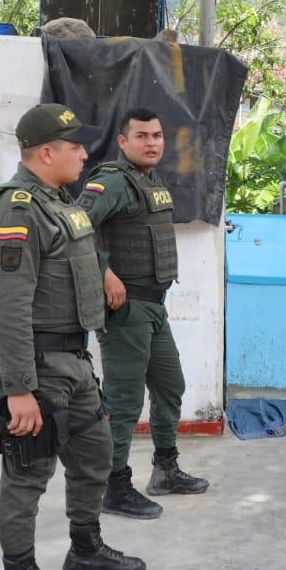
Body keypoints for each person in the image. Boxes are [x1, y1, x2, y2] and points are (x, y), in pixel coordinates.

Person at [0, 103, 146, 570]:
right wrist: (18, 389)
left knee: (94, 455)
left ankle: (85, 548)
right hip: (38, 365)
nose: (83, 152)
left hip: (73, 359)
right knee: (28, 476)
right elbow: (5, 304)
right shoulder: (17, 208)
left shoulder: (60, 203)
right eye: (74, 146)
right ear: (45, 152)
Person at [77, 107, 209, 521]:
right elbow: (76, 227)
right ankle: (114, 487)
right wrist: (104, 273)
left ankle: (165, 470)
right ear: (123, 141)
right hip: (126, 310)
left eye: (157, 135)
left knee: (171, 386)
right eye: (142, 136)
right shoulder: (111, 182)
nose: (152, 142)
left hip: (153, 307)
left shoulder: (147, 181)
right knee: (124, 401)